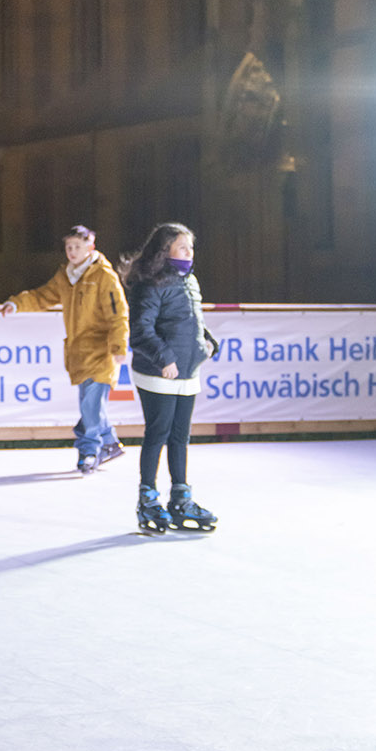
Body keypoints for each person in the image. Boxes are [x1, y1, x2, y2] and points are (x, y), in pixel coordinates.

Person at [2, 224, 129, 474]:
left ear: (90, 246)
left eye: (77, 247)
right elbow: (43, 296)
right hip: (78, 351)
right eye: (68, 247)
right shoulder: (66, 276)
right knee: (91, 404)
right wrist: (17, 304)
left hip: (101, 350)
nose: (71, 252)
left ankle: (89, 451)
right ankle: (110, 442)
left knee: (91, 405)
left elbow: (118, 312)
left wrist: (119, 345)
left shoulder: (104, 276)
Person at [119, 222, 219, 532]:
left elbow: (190, 321)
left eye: (191, 247)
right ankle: (148, 498)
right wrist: (164, 358)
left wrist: (207, 342)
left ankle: (180, 498)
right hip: (158, 372)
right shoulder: (150, 284)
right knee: (158, 433)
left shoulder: (189, 281)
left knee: (180, 437)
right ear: (165, 251)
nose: (190, 253)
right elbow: (140, 332)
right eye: (183, 247)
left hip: (187, 371)